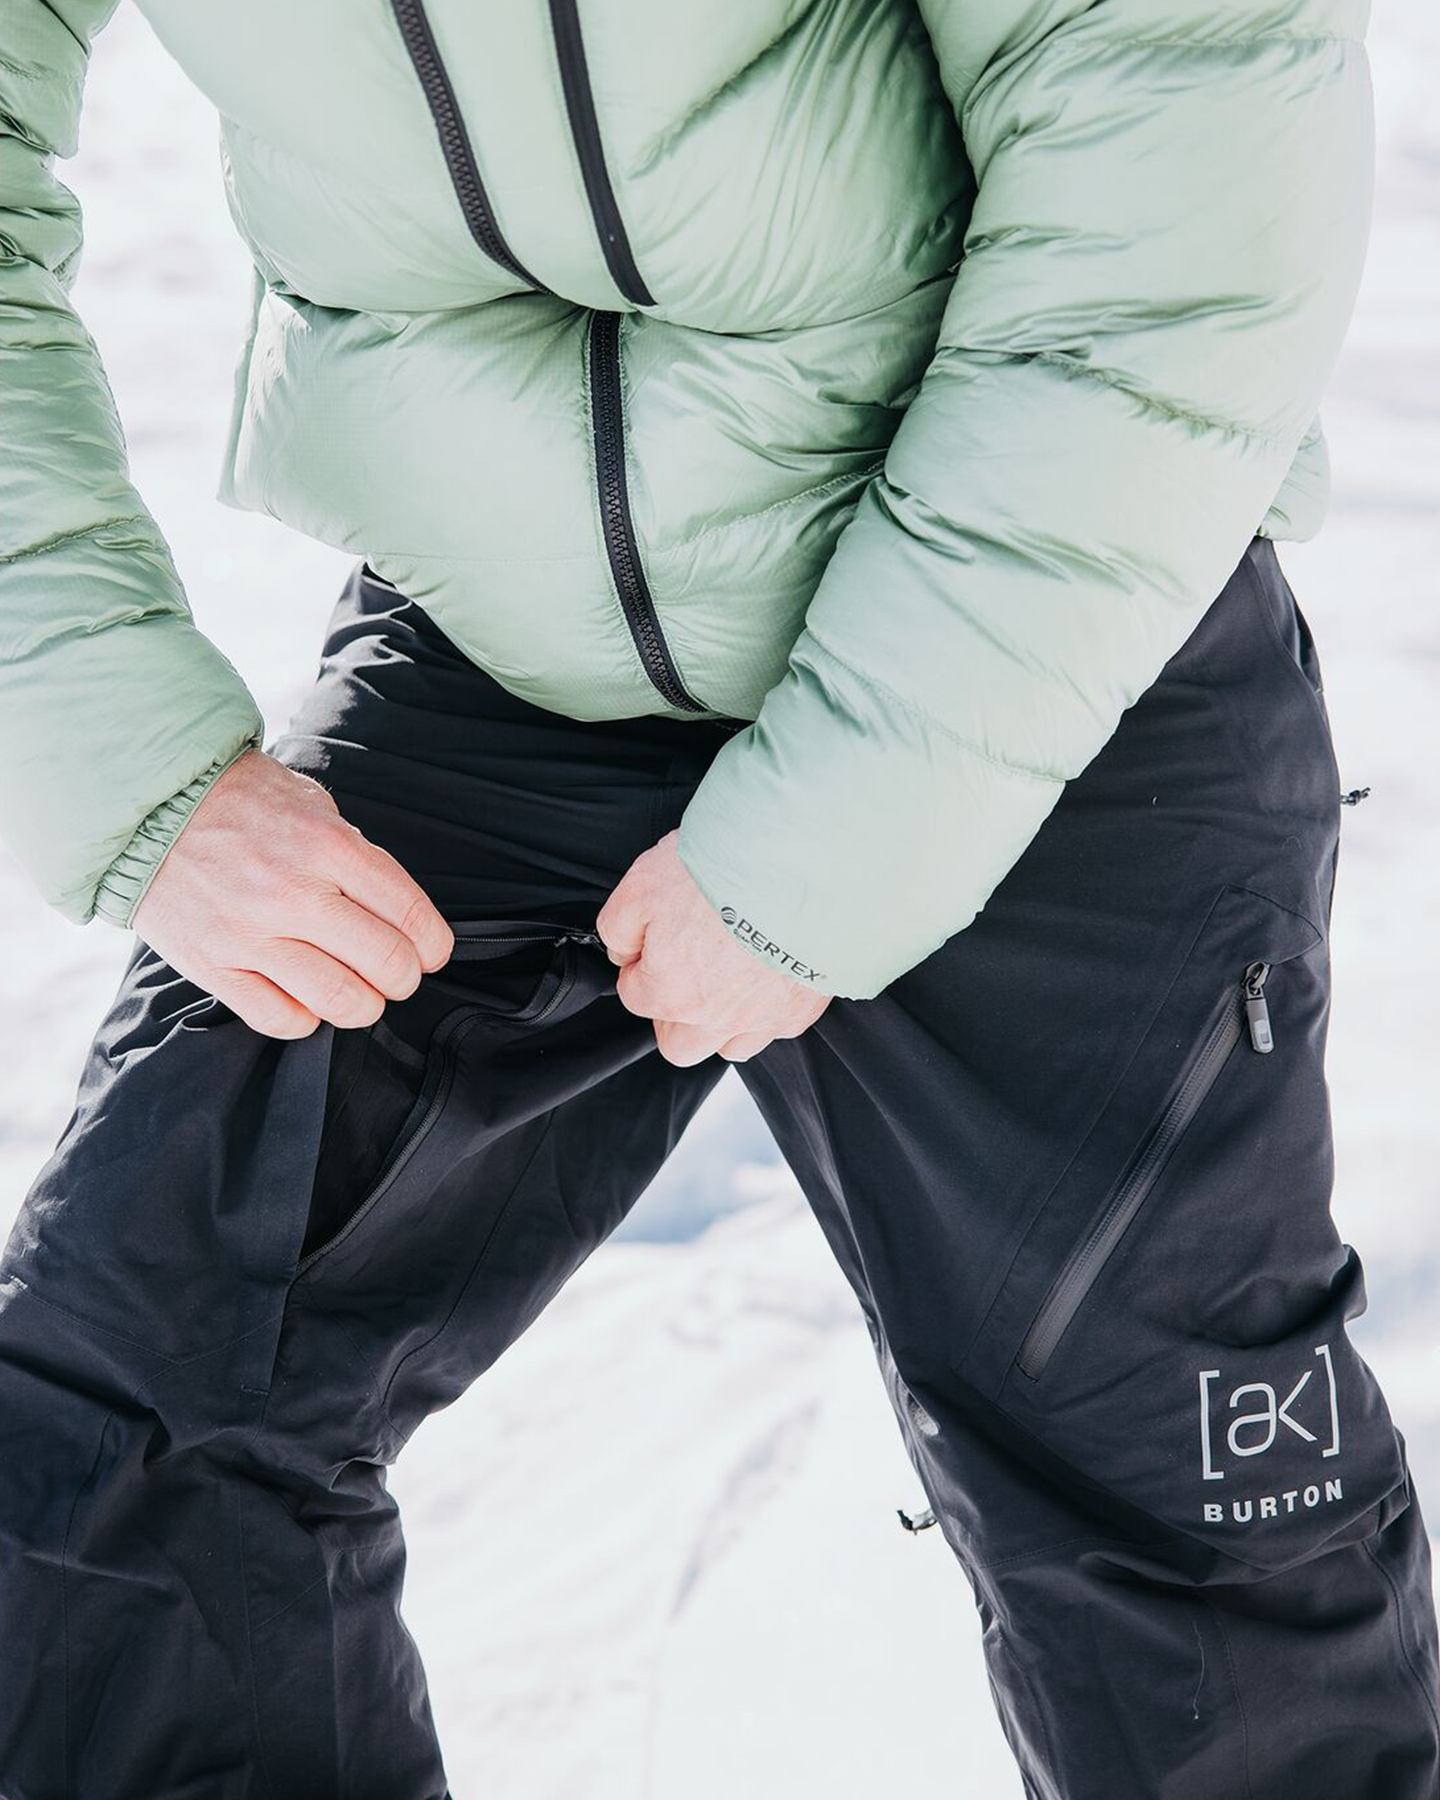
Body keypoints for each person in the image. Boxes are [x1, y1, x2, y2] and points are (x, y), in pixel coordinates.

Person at [1, 1, 1435, 1795]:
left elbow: (1176, 178)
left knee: (1184, 1511)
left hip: (1040, 629)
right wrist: (123, 756)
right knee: (135, 1422)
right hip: (499, 633)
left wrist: (833, 842)